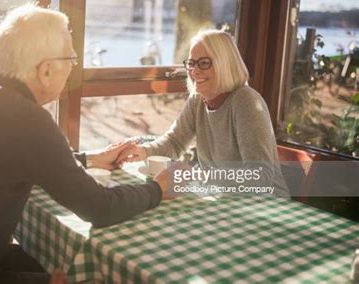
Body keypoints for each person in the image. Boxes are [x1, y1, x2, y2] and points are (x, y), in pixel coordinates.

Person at [0, 3, 169, 283]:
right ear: (46, 70)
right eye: (71, 59)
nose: (73, 68)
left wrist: (90, 160)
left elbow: (11, 160)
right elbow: (99, 208)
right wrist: (157, 189)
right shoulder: (26, 119)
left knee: (46, 262)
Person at [117, 29, 290, 197]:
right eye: (191, 63)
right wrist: (143, 151)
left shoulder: (246, 101)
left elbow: (259, 177)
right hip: (226, 200)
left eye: (204, 63)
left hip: (267, 204)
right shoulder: (198, 99)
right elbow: (175, 143)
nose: (194, 71)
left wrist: (200, 175)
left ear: (225, 64)